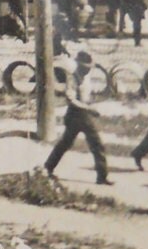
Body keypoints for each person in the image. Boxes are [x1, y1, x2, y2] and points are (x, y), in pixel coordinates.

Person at [44, 51, 113, 185]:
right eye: (86, 67)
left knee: (83, 144)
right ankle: (48, 168)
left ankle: (101, 176)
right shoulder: (73, 78)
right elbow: (71, 100)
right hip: (76, 115)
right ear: (79, 65)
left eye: (89, 67)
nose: (88, 69)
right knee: (77, 144)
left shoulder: (86, 76)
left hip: (84, 114)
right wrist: (89, 109)